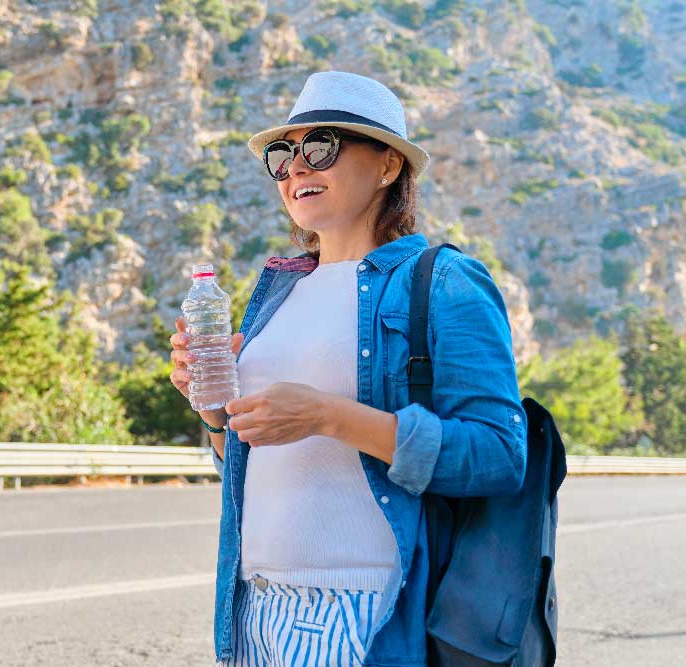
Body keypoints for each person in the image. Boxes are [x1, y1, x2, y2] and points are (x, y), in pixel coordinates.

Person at [169, 71, 527, 667]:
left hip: (366, 612)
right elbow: (248, 463)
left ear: (388, 165)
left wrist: (328, 416)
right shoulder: (276, 295)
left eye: (321, 148)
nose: (296, 168)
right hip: (254, 610)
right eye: (283, 157)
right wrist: (211, 410)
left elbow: (498, 454)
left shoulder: (444, 282)